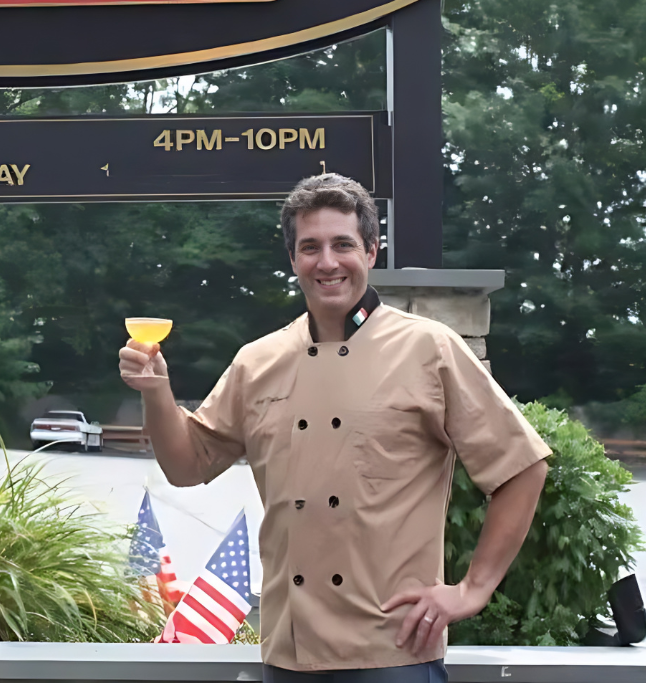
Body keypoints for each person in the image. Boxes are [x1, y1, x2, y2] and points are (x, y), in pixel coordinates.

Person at [119, 174, 550, 682]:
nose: (327, 262)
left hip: (393, 651)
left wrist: (473, 589)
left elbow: (522, 467)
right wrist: (156, 393)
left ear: (371, 251)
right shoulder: (257, 361)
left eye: (342, 244)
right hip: (289, 651)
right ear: (293, 259)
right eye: (310, 247)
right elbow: (186, 466)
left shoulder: (429, 349)